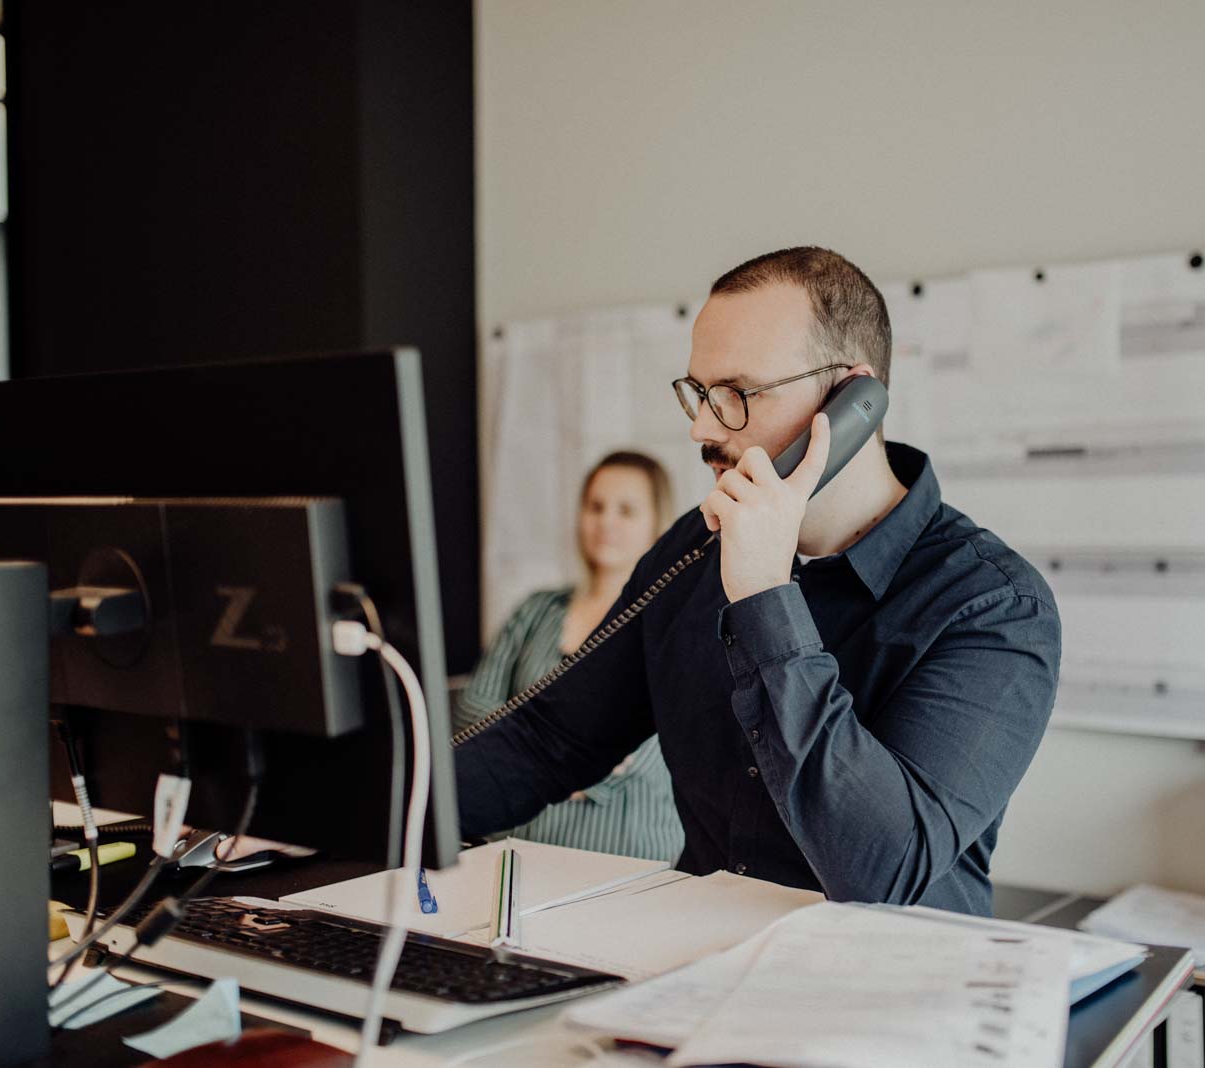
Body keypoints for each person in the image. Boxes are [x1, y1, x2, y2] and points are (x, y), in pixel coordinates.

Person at [456, 247, 1059, 915]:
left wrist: (767, 598)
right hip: (698, 972)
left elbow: (881, 871)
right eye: (700, 394)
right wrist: (389, 815)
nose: (702, 429)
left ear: (853, 399)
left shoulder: (994, 606)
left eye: (737, 395)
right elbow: (552, 740)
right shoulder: (695, 547)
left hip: (889, 995)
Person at [453, 451, 685, 862]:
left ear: (657, 525)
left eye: (626, 511)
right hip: (520, 847)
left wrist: (557, 765)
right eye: (596, 507)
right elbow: (475, 710)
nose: (606, 522)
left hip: (630, 852)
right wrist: (540, 760)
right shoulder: (538, 610)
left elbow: (663, 741)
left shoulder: (672, 621)